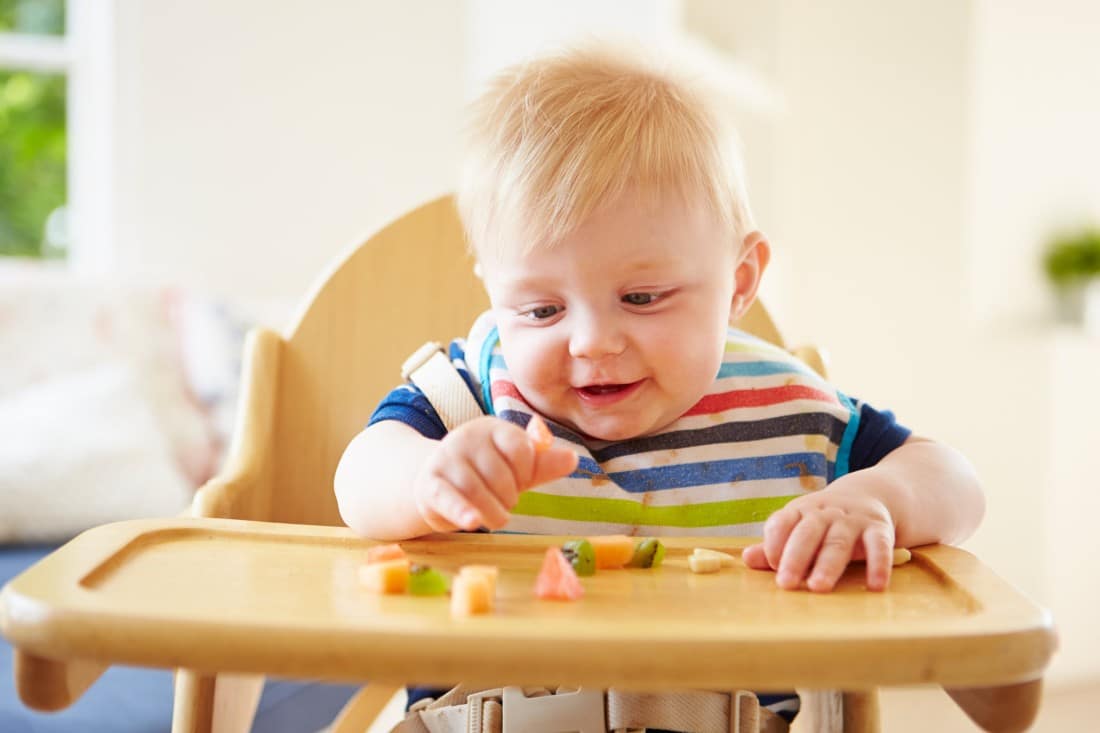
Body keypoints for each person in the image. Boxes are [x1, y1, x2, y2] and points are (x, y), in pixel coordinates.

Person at [334, 44, 985, 730]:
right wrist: (427, 479)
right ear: (495, 293)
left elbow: (955, 483)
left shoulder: (788, 418)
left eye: (641, 296)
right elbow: (357, 481)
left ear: (738, 283)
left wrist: (875, 497)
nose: (590, 341)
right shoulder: (470, 400)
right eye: (542, 310)